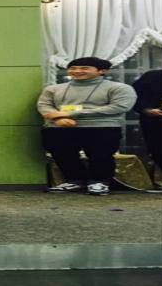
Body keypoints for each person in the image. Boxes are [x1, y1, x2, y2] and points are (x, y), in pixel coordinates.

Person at [37, 57, 137, 196]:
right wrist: (58, 118)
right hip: (59, 127)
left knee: (100, 155)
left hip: (101, 128)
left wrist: (72, 114)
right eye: (73, 68)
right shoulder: (53, 89)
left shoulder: (119, 88)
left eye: (84, 68)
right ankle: (75, 181)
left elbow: (119, 107)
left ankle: (99, 182)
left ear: (102, 71)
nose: (77, 71)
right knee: (61, 154)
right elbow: (44, 105)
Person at [131, 69, 162, 188]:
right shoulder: (153, 76)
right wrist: (146, 109)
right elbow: (133, 95)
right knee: (159, 150)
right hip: (157, 121)